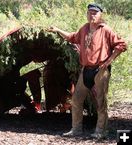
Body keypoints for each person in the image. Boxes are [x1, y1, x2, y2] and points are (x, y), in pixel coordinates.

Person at [48, 3, 127, 139]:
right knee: (76, 100)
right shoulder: (84, 28)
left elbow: (121, 45)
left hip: (100, 71)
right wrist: (57, 30)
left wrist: (109, 61)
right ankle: (76, 130)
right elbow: (72, 37)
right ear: (87, 14)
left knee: (100, 102)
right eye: (90, 12)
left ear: (100, 15)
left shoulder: (106, 30)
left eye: (95, 13)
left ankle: (101, 131)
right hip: (86, 70)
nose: (92, 15)